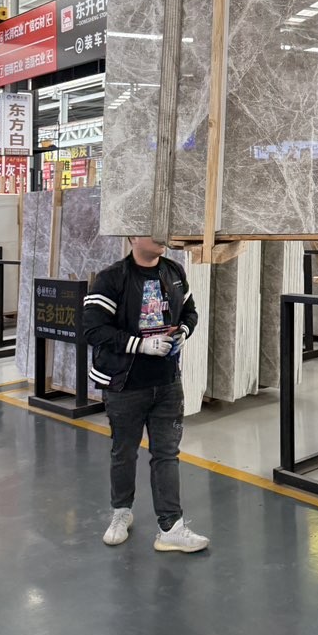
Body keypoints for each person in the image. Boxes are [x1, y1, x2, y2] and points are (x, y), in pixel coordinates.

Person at [83, 236, 209, 553]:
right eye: (151, 231)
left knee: (167, 454)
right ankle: (121, 512)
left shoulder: (174, 272)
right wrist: (140, 345)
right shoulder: (112, 278)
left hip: (167, 383)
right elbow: (93, 329)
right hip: (125, 385)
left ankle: (171, 527)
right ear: (133, 237)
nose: (160, 237)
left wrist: (183, 332)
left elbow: (190, 311)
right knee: (123, 452)